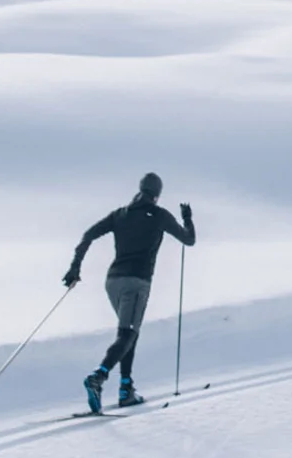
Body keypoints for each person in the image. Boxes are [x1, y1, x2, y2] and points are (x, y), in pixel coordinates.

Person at [63, 173, 195, 413]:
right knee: (128, 334)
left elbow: (88, 236)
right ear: (157, 194)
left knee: (128, 334)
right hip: (137, 282)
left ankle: (126, 389)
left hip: (112, 282)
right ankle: (98, 377)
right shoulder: (159, 215)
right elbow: (189, 240)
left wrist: (75, 267)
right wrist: (188, 219)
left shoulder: (120, 214)